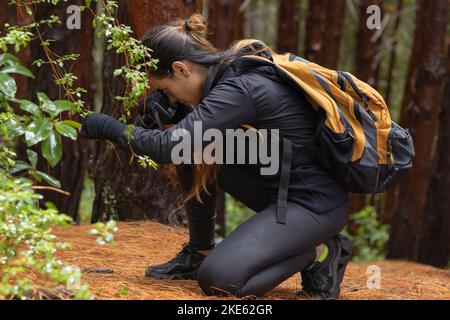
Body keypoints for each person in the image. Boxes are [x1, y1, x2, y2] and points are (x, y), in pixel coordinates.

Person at [80, 14, 352, 299]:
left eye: (164, 90)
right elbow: (189, 142)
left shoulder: (240, 89)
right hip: (281, 192)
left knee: (220, 280)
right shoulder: (228, 76)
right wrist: (176, 113)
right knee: (196, 149)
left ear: (180, 69)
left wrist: (108, 127)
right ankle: (201, 250)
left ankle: (318, 251)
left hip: (313, 205)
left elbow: (168, 147)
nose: (169, 97)